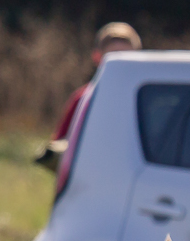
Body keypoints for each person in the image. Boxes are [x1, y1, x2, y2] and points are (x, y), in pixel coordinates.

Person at [39, 21, 142, 163]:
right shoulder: (84, 98)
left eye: (127, 58)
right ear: (97, 57)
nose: (121, 65)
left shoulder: (146, 99)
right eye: (114, 58)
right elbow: (59, 145)